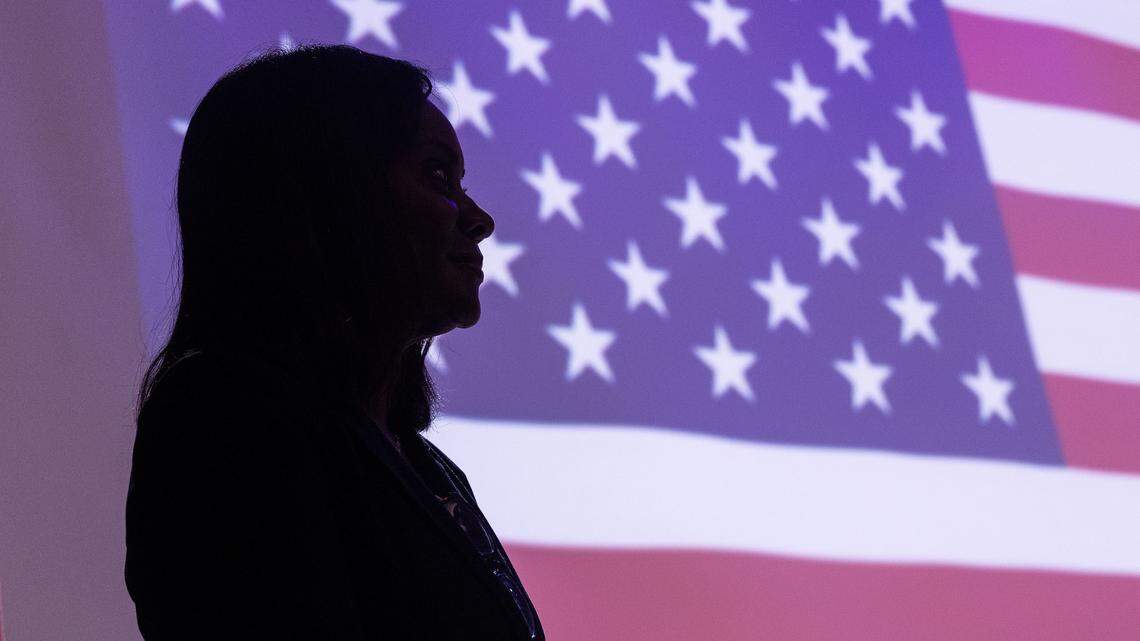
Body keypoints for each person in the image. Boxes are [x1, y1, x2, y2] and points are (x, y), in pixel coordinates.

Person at [124, 44, 544, 640]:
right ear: (329, 195)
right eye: (436, 174)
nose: (478, 218)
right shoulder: (223, 421)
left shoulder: (425, 469)